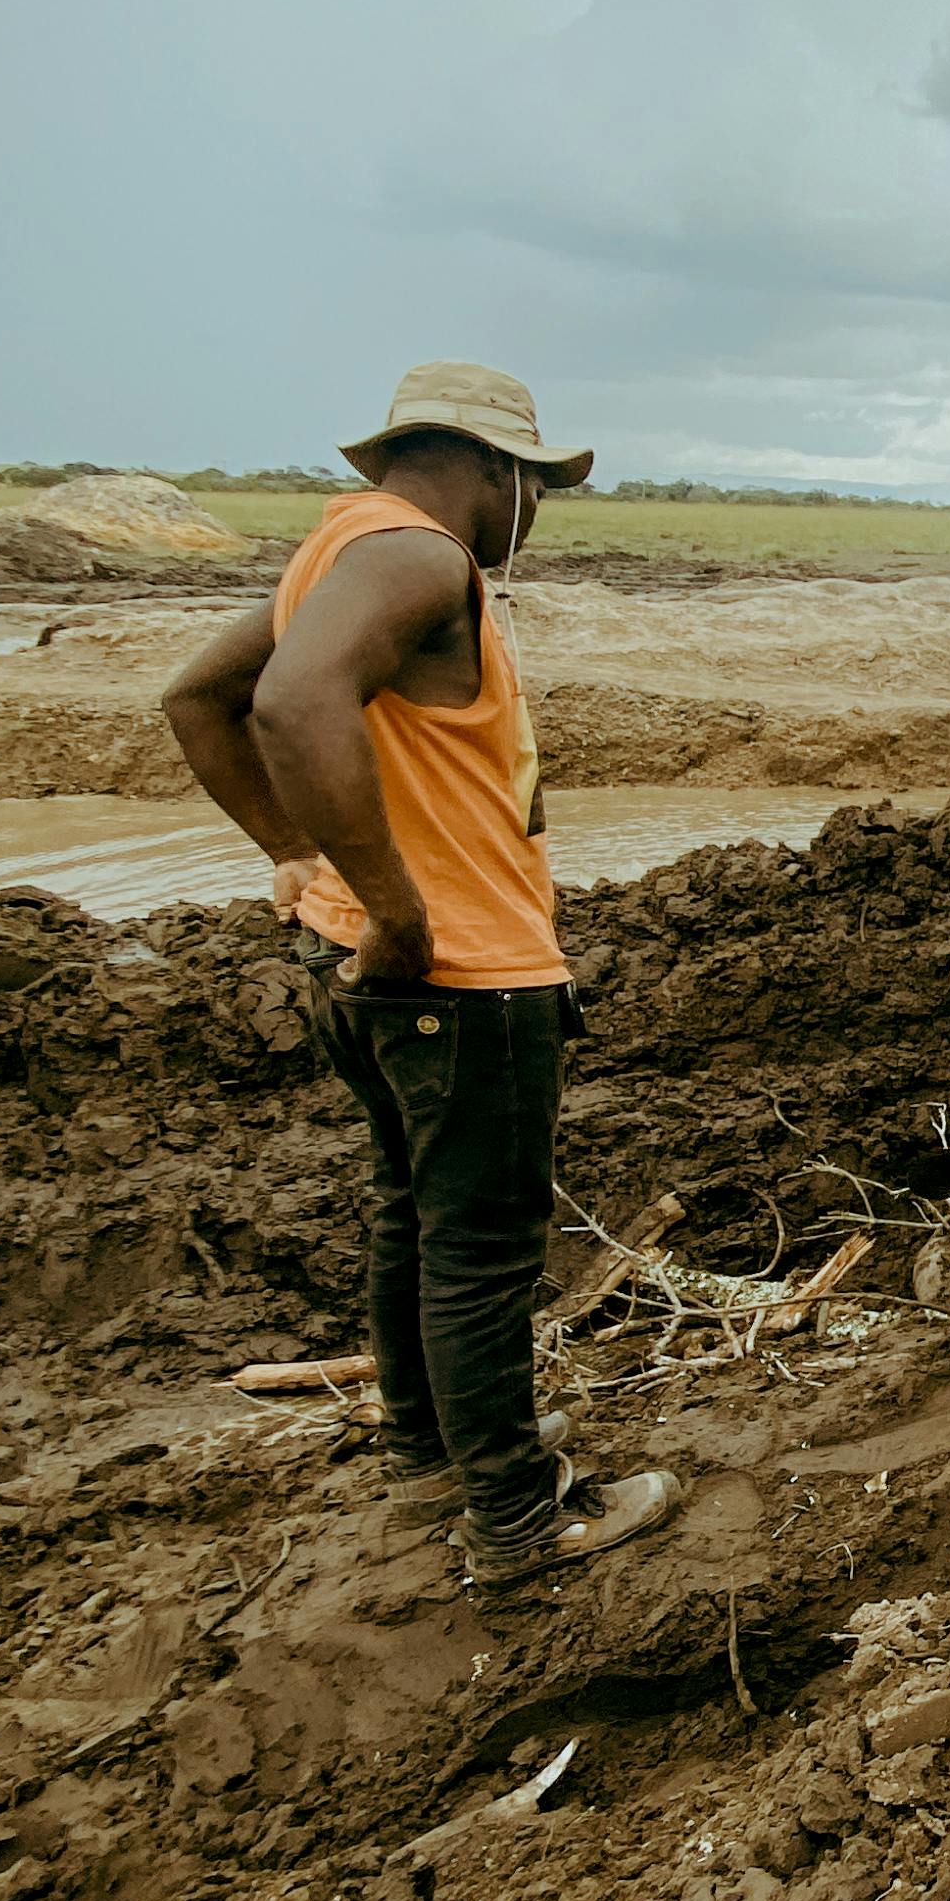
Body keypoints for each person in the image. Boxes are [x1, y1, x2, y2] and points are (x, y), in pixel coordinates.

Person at [161, 361, 681, 1588]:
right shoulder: (419, 558)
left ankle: (433, 1444)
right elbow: (287, 705)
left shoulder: (336, 547)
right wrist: (397, 910)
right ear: (491, 470)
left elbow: (198, 697)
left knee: (413, 1210)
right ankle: (517, 1515)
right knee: (483, 1243)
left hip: (363, 961)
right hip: (461, 974)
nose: (533, 517)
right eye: (534, 487)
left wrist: (298, 860)